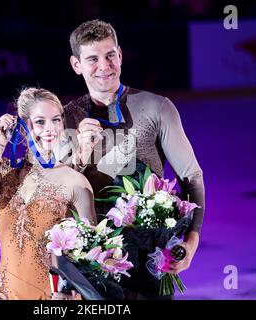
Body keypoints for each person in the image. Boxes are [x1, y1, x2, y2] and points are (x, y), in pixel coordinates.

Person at [61, 19, 205, 300]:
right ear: (76, 65)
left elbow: (192, 176)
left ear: (120, 55)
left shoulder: (157, 107)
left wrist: (192, 240)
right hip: (91, 256)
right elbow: (55, 192)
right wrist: (78, 152)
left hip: (149, 254)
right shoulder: (67, 117)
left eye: (110, 55)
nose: (104, 66)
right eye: (92, 59)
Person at [0, 87, 97, 300]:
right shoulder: (5, 171)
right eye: (40, 122)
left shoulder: (74, 181)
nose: (50, 129)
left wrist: (65, 290)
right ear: (24, 125)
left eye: (56, 120)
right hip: (8, 294)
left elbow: (91, 253)